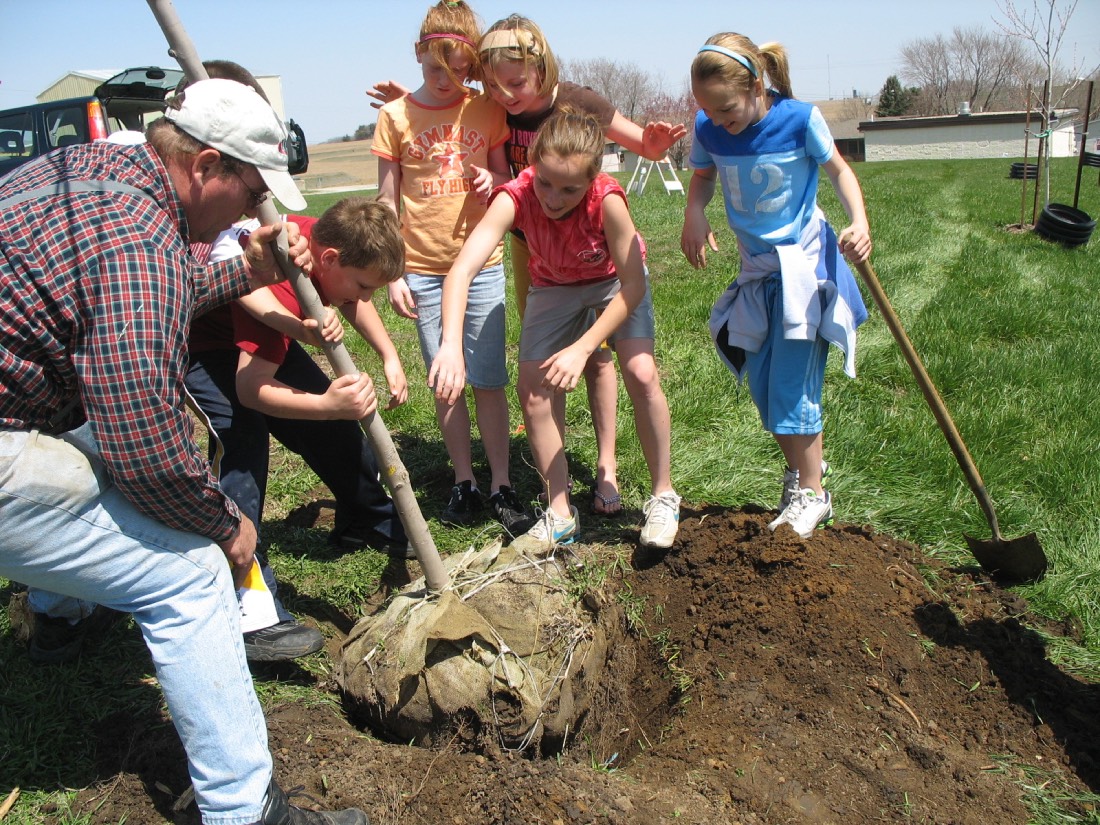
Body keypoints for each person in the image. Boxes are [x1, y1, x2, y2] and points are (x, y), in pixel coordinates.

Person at [0, 78, 369, 825]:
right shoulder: (140, 237)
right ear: (204, 166)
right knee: (192, 573)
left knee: (87, 445)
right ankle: (243, 810)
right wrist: (225, 524)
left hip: (26, 396)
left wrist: (248, 269)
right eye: (247, 191)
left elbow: (146, 284)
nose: (249, 212)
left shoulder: (93, 168)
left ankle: (60, 609)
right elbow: (143, 440)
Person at [370, 14, 687, 518]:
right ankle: (554, 488)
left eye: (515, 83)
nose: (505, 93)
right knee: (541, 369)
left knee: (603, 357)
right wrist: (410, 96)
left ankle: (609, 467)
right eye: (493, 84)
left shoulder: (579, 107)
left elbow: (636, 144)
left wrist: (651, 145)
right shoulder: (497, 118)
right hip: (535, 248)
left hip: (596, 253)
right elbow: (447, 112)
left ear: (541, 64)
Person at [430, 107, 681, 554]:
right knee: (534, 390)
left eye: (569, 188)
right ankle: (561, 511)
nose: (552, 196)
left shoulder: (608, 201)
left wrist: (584, 348)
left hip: (613, 281)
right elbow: (462, 270)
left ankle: (663, 495)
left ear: (591, 181)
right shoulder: (516, 196)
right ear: (532, 167)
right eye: (544, 181)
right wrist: (450, 344)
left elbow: (634, 285)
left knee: (641, 372)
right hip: (554, 284)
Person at [680, 33, 872, 539]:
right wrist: (694, 213)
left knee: (790, 386)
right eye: (708, 112)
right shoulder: (709, 127)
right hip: (757, 275)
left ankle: (813, 493)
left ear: (756, 84)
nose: (719, 121)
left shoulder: (799, 119)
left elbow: (840, 171)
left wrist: (860, 221)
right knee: (765, 388)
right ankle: (803, 475)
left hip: (803, 273)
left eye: (726, 109)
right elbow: (701, 178)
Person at [373, 0, 531, 535]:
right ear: (419, 55)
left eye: (460, 69)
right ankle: (463, 479)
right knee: (446, 382)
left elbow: (501, 175)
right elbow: (386, 200)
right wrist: (393, 271)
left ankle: (501, 482)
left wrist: (492, 182)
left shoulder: (485, 111)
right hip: (420, 267)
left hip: (481, 263)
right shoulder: (394, 118)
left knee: (487, 376)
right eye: (437, 67)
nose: (447, 79)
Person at [232, 196, 413, 565]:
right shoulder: (283, 284)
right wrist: (324, 405)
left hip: (271, 337)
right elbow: (250, 387)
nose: (365, 298)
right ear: (329, 259)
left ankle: (365, 520)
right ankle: (238, 565)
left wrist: (388, 354)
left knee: (337, 431)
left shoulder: (323, 239)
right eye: (363, 286)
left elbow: (351, 300)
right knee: (240, 447)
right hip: (207, 347)